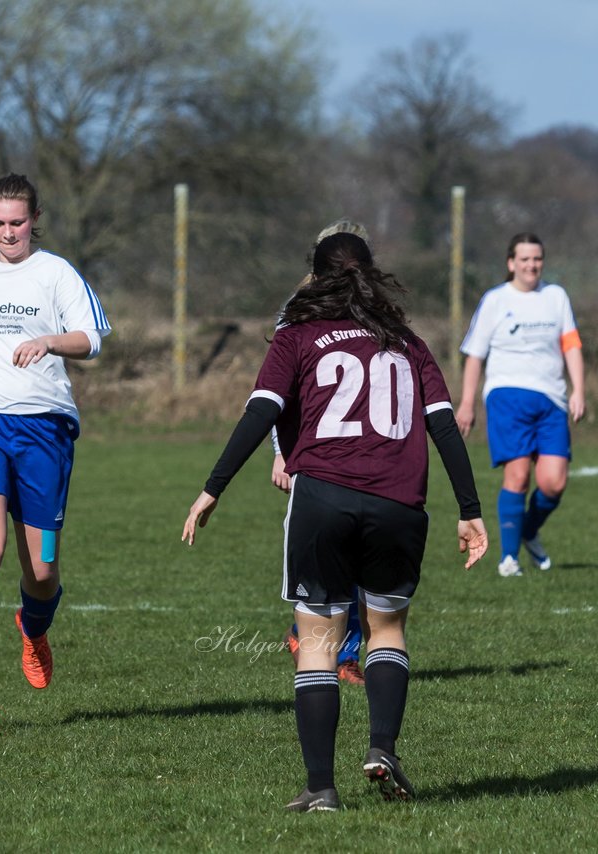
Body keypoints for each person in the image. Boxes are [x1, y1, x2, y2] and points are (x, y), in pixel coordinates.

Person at [181, 232, 488, 812]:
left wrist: (212, 488)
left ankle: (321, 786)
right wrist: (470, 511)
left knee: (318, 640)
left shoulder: (296, 336)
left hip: (324, 498)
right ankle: (382, 749)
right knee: (387, 630)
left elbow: (261, 412)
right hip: (400, 503)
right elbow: (445, 428)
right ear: (371, 276)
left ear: (315, 278)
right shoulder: (409, 342)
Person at [0, 173, 110, 732]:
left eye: (17, 222)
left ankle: (33, 628)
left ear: (34, 220)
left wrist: (48, 341)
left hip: (44, 432)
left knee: (43, 569)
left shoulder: (56, 273)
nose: (7, 233)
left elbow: (93, 338)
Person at [455, 233, 585, 577]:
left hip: (551, 399)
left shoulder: (556, 296)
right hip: (506, 395)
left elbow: (571, 344)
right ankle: (509, 560)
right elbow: (474, 356)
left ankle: (528, 530)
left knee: (554, 482)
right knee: (518, 474)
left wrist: (578, 390)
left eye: (537, 259)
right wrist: (467, 402)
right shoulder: (495, 300)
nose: (532, 265)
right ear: (511, 263)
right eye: (525, 259)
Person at [275, 220, 370, 685]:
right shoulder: (297, 312)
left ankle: (343, 651)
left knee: (355, 555)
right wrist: (282, 451)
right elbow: (278, 391)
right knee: (325, 559)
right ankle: (321, 645)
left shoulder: (372, 311)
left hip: (365, 457)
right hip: (313, 456)